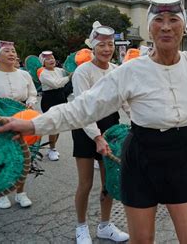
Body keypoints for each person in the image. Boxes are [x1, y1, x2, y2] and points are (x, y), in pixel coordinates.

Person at [0, 0, 187, 243]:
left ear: (183, 28)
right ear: (150, 30)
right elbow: (82, 108)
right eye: (158, 21)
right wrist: (33, 124)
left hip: (184, 158)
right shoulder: (130, 72)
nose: (166, 27)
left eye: (173, 20)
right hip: (141, 159)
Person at [69, 22, 129, 244]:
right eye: (102, 45)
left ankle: (105, 225)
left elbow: (125, 102)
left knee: (110, 181)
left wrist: (142, 123)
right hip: (85, 127)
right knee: (85, 182)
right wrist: (96, 137)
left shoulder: (117, 71)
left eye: (110, 44)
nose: (107, 49)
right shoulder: (82, 72)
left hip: (111, 127)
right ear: (93, 47)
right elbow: (84, 110)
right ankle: (81, 226)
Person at [0, 40, 37, 209]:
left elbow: (32, 93)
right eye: (7, 51)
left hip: (22, 117)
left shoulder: (24, 74)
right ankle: (1, 193)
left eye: (13, 51)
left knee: (24, 155)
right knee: (2, 157)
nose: (12, 54)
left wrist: (31, 102)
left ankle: (20, 193)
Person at [38, 51, 70, 161]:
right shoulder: (43, 74)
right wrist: (69, 78)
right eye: (48, 59)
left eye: (52, 58)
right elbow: (56, 84)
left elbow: (69, 71)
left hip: (61, 97)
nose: (51, 60)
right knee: (53, 126)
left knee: (59, 126)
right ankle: (52, 149)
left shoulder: (60, 70)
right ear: (43, 63)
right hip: (49, 99)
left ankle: (52, 148)